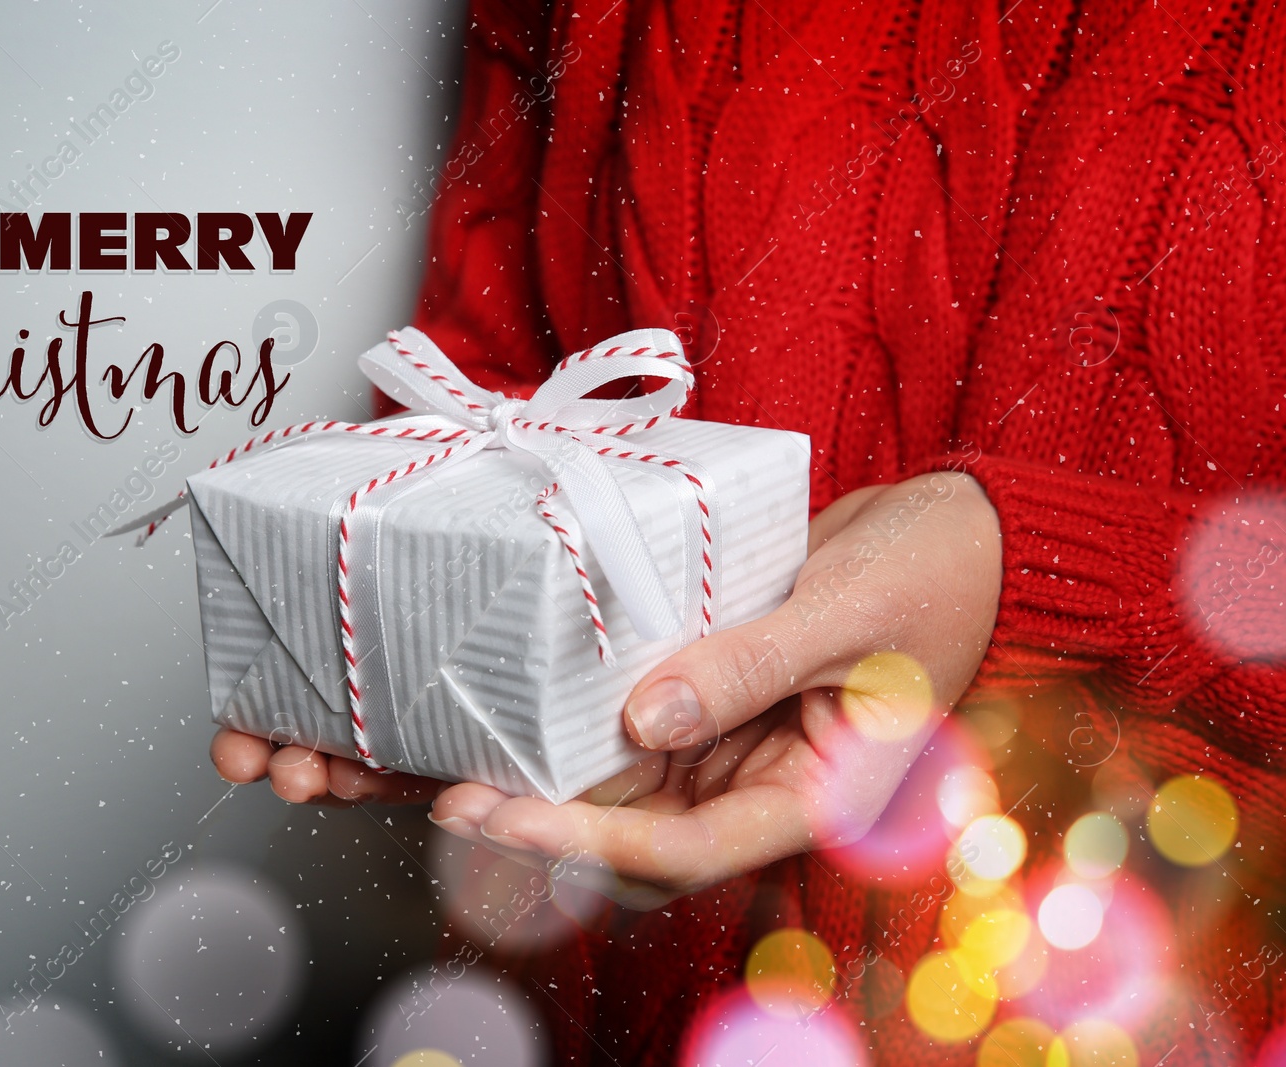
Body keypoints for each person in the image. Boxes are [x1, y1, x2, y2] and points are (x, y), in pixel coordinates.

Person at [213, 1, 1286, 1062]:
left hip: (1132, 999)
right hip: (610, 960)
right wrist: (437, 658)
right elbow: (487, 376)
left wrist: (1052, 578)